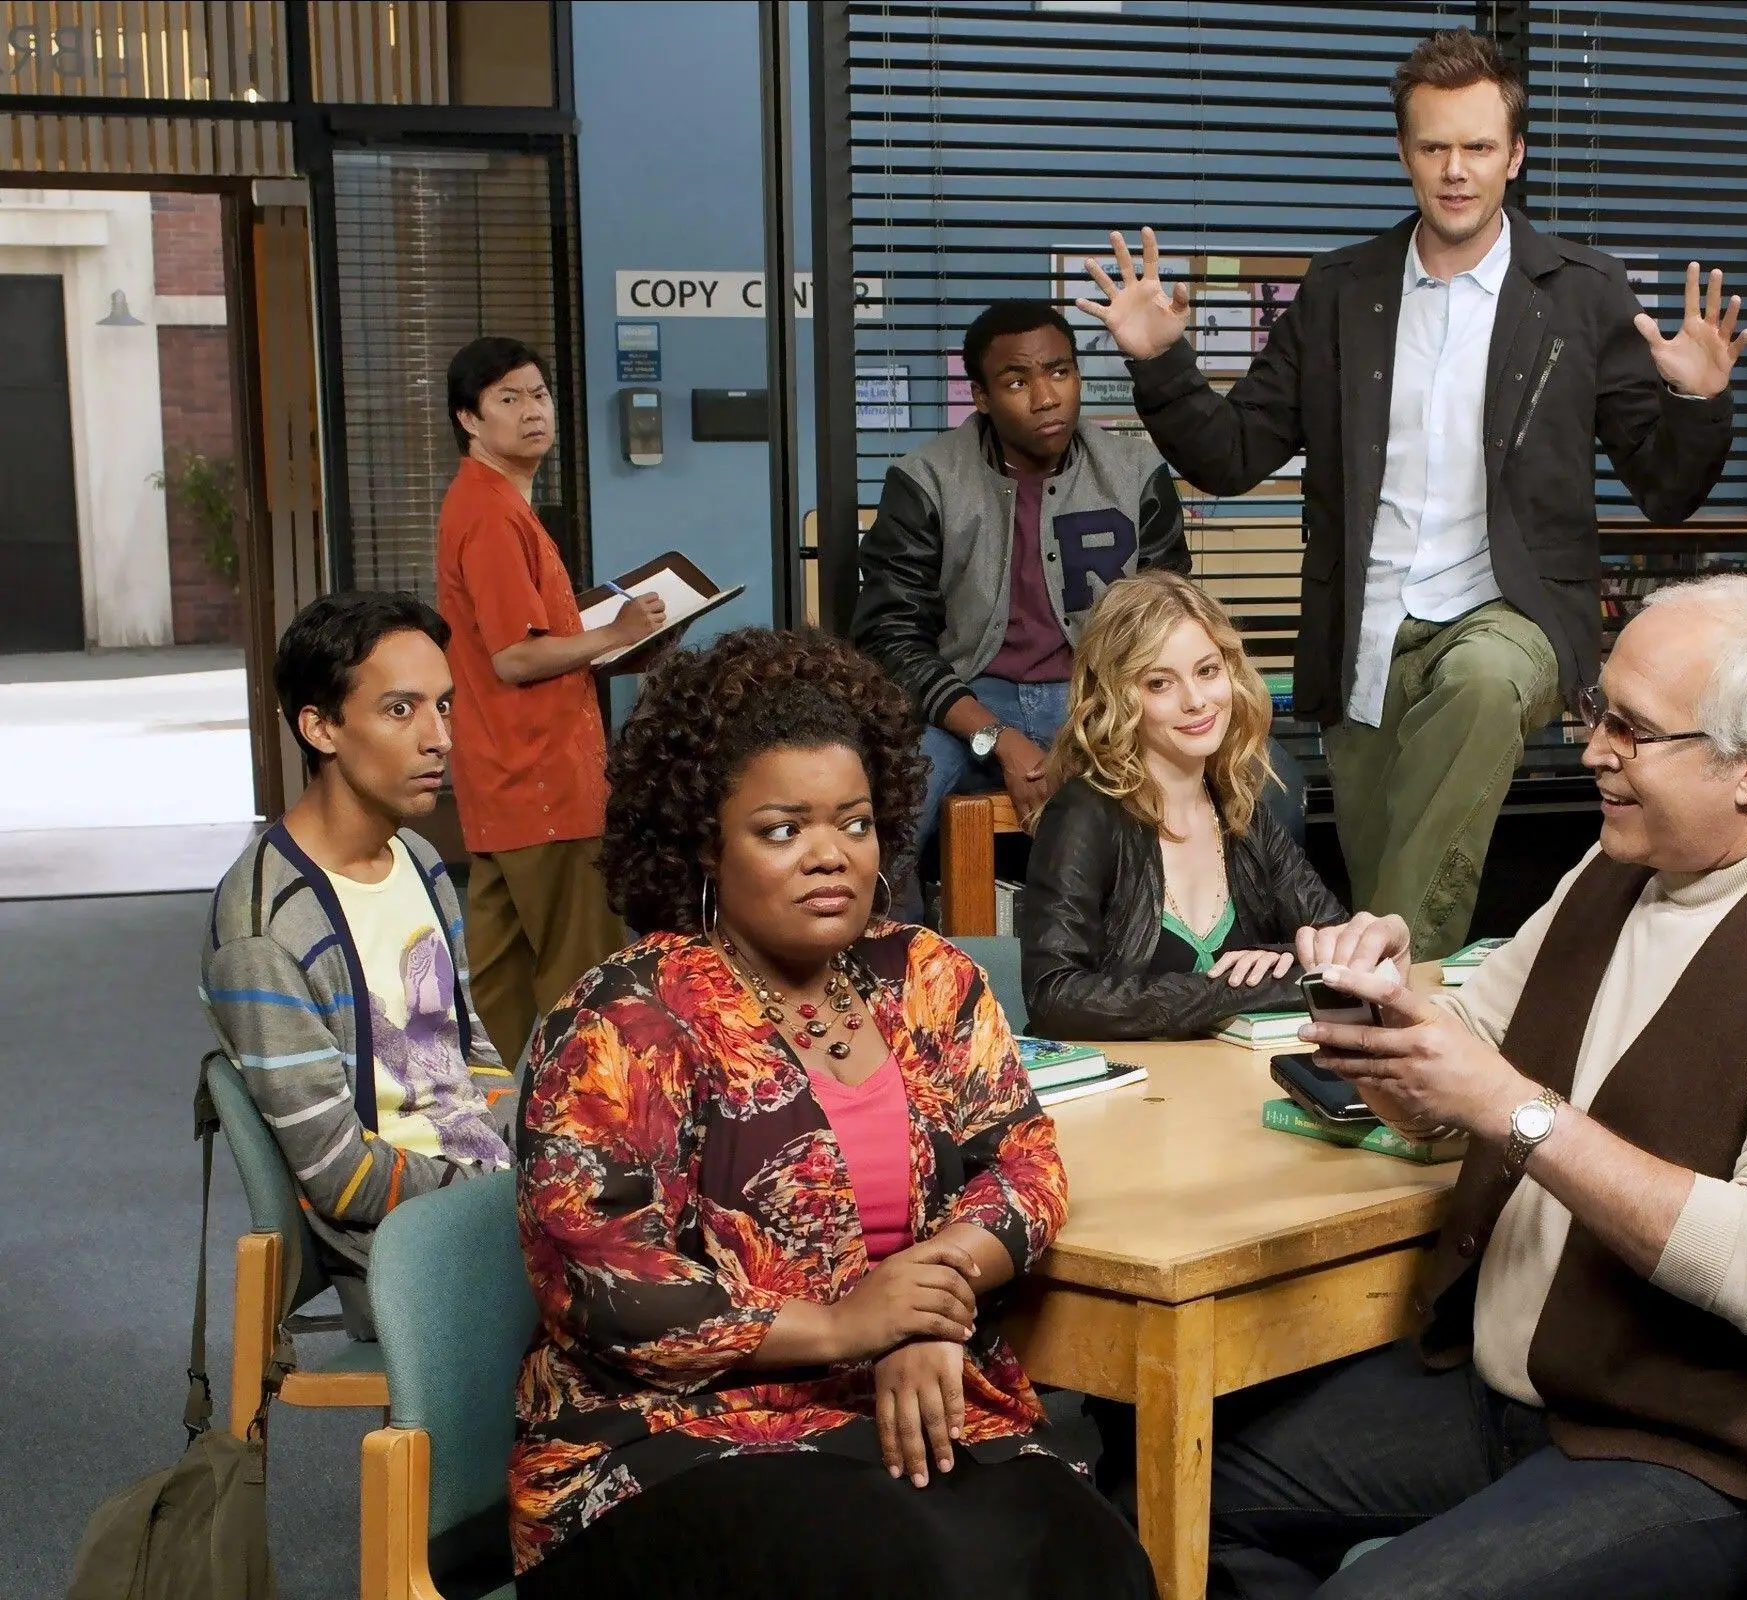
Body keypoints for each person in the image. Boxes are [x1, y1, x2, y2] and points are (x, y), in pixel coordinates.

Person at [1205, 576, 1747, 1599]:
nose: (1593, 749)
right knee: (1176, 1485)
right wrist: (1381, 1021)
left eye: (1631, 729)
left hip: (1686, 1451)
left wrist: (1512, 1109)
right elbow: (1454, 1083)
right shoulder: (1612, 873)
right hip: (1510, 1390)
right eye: (1596, 710)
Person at [509, 627, 1150, 1600]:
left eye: (852, 823)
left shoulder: (927, 976)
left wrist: (927, 1302)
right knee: (934, 1570)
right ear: (704, 842)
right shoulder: (624, 1020)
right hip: (666, 1446)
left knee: (1091, 1555)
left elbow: (1023, 1164)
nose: (829, 857)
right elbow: (606, 1286)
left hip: (916, 1401)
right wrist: (849, 1326)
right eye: (782, 830)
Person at [1077, 30, 1747, 959]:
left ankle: (1370, 983)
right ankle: (1390, 1013)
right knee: (1394, 879)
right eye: (1434, 147)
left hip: (1512, 616)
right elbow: (1230, 457)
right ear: (1404, 153)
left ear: (1515, 154)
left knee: (1480, 686)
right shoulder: (1341, 290)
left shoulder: (1581, 293)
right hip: (1366, 632)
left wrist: (1698, 401)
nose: (1456, 170)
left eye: (1478, 146)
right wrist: (1161, 362)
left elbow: (1667, 489)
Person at [201, 592, 515, 1337]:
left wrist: (530, 1145)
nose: (439, 739)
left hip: (486, 1202)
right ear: (321, 727)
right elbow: (340, 1177)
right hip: (401, 1254)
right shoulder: (264, 930)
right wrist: (503, 1190)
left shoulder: (421, 860)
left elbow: (467, 1052)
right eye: (401, 710)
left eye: (443, 706)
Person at [849, 299, 1192, 885]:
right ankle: (892, 943)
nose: (1046, 397)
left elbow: (1169, 620)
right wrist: (998, 737)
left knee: (1266, 783)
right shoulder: (927, 480)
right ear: (980, 397)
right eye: (1016, 382)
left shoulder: (1134, 470)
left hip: (1101, 699)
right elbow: (890, 638)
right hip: (966, 704)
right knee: (886, 812)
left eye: (1060, 372)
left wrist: (1102, 725)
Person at [434, 334, 661, 1072]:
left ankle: (495, 1107)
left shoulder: (489, 501)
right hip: (543, 785)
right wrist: (615, 634)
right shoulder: (492, 514)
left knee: (497, 983)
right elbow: (515, 656)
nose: (532, 411)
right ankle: (588, 1120)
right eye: (508, 399)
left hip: (506, 780)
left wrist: (615, 643)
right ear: (470, 419)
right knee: (586, 983)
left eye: (539, 395)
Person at [1019, 571, 1346, 1040]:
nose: (1196, 701)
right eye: (1160, 683)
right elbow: (1054, 997)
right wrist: (1235, 989)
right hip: (1134, 1083)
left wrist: (1284, 959)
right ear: (1116, 697)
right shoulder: (1083, 815)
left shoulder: (1241, 808)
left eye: (1207, 671)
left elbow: (1342, 951)